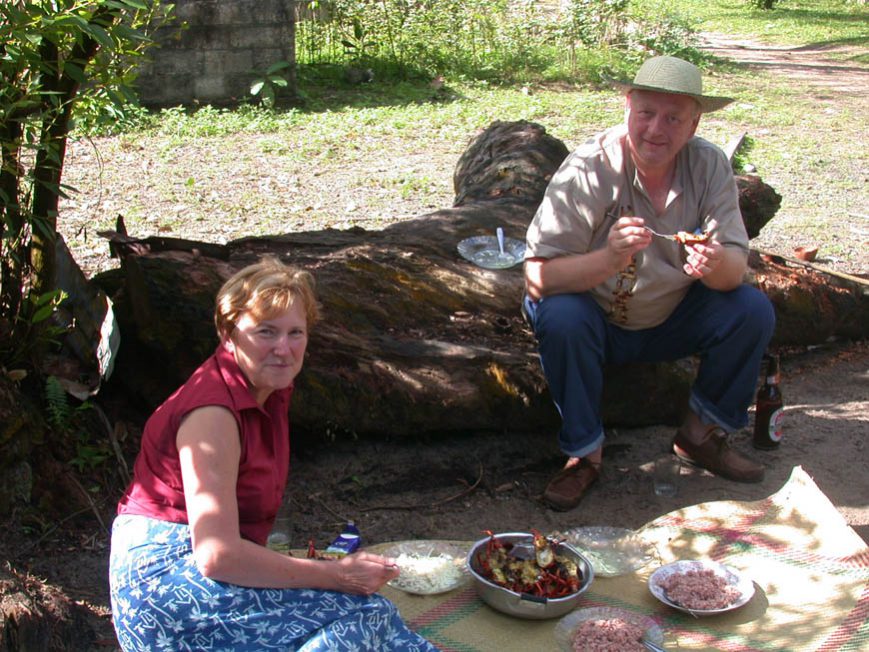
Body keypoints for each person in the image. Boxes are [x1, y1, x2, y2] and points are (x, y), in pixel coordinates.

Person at [109, 257, 438, 651]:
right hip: (163, 585)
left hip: (204, 559)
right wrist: (335, 575)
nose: (283, 349)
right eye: (266, 332)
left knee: (371, 618)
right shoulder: (212, 414)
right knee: (359, 618)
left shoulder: (268, 386)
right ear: (229, 333)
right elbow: (216, 555)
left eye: (295, 332)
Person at [523, 56, 775, 511]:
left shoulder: (709, 165)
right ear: (627, 107)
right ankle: (583, 455)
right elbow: (538, 279)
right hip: (594, 317)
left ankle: (700, 435)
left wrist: (713, 262)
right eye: (646, 113)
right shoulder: (589, 167)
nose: (656, 129)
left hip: (669, 316)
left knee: (751, 309)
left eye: (674, 117)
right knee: (561, 315)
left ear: (694, 124)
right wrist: (609, 257)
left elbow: (734, 270)